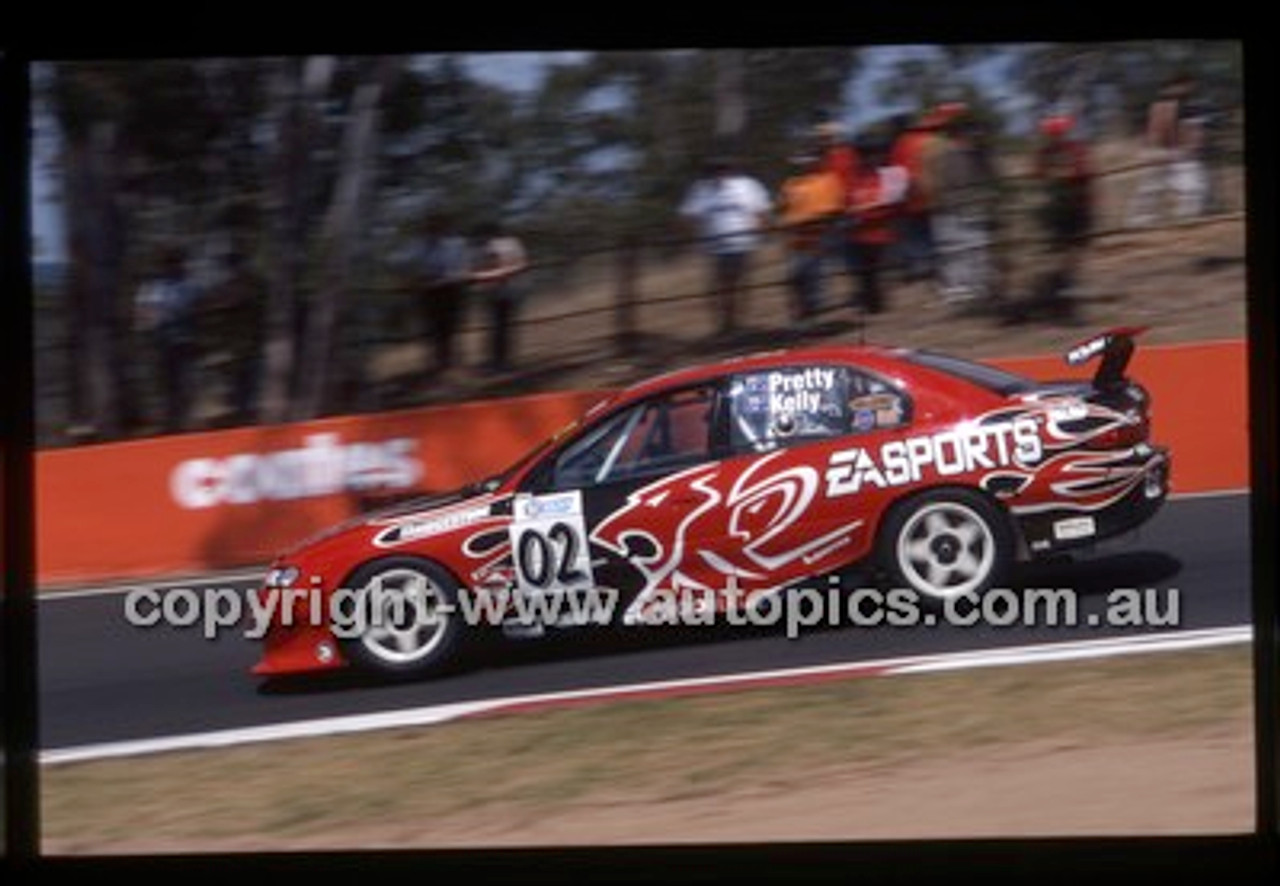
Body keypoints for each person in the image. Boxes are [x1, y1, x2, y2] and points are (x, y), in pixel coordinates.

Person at [678, 156, 772, 338]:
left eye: (723, 169)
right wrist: (692, 235)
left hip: (743, 244)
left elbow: (761, 210)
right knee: (719, 287)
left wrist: (759, 230)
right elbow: (687, 215)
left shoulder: (747, 186)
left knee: (741, 285)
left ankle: (739, 323)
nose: (719, 174)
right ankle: (724, 325)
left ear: (731, 170)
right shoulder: (701, 190)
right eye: (714, 170)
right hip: (715, 248)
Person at [922, 104, 998, 305]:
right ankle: (960, 289)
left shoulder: (975, 148)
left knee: (974, 246)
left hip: (968, 204)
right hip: (949, 206)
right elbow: (933, 179)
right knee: (955, 249)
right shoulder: (938, 147)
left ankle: (976, 288)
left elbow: (988, 175)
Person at [1126, 73, 1209, 226]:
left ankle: (1186, 220)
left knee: (1191, 188)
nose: (1188, 89)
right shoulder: (1160, 105)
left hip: (1179, 153)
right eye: (1185, 85)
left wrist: (1189, 149)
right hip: (1161, 152)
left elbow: (1193, 131)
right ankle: (1138, 224)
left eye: (1189, 85)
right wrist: (1151, 151)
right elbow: (1152, 131)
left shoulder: (1191, 106)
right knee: (1150, 189)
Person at [134, 246, 200, 433]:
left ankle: (185, 423)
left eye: (178, 262)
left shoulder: (190, 285)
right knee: (165, 387)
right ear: (165, 265)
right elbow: (144, 315)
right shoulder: (153, 287)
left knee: (186, 385)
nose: (176, 266)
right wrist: (154, 320)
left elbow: (197, 310)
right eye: (171, 262)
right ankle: (169, 425)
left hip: (186, 342)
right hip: (161, 344)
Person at [776, 150, 845, 328]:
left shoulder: (828, 180)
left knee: (816, 278)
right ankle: (800, 318)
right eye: (801, 160)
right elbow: (781, 208)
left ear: (817, 161)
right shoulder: (790, 184)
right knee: (795, 278)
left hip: (818, 236)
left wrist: (827, 231)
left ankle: (811, 319)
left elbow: (835, 210)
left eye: (807, 160)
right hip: (795, 238)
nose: (803, 164)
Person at [1033, 113, 1094, 310]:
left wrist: (1058, 175)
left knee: (1076, 248)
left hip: (1077, 205)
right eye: (1053, 133)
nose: (1056, 136)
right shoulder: (1044, 153)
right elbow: (1037, 175)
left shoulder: (1075, 149)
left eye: (1058, 132)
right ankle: (1061, 284)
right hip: (1057, 209)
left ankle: (1067, 281)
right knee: (1061, 249)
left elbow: (1082, 172)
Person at [846, 133, 907, 315]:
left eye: (872, 153)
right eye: (865, 154)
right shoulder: (856, 178)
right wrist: (856, 209)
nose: (869, 157)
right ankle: (871, 306)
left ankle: (880, 306)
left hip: (884, 232)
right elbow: (849, 202)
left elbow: (893, 201)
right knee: (864, 274)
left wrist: (865, 206)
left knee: (879, 272)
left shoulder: (891, 174)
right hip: (859, 234)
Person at [209, 250, 266, 423]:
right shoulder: (226, 288)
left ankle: (248, 418)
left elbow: (260, 307)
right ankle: (239, 419)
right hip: (234, 347)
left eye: (237, 265)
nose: (234, 269)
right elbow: (217, 307)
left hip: (251, 345)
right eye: (232, 266)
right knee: (236, 388)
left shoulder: (254, 285)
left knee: (251, 388)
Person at [417, 211, 471, 378]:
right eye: (430, 226)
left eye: (437, 225)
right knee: (435, 329)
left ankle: (453, 364)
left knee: (451, 328)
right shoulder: (423, 246)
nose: (434, 229)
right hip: (431, 293)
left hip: (452, 291)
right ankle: (438, 365)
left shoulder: (458, 244)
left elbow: (463, 267)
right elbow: (421, 269)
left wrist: (452, 278)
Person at [470, 221, 530, 373]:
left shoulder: (507, 244)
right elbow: (477, 271)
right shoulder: (485, 247)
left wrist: (502, 273)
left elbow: (521, 265)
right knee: (498, 328)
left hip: (508, 290)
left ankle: (503, 362)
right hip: (496, 292)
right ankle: (498, 361)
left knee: (502, 327)